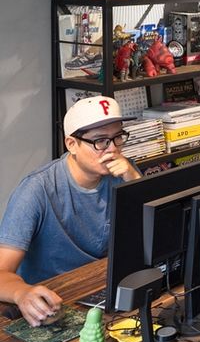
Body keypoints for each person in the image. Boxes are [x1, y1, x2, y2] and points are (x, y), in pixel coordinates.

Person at [0, 96, 141, 327]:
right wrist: (22, 293)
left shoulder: (124, 172)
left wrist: (134, 181)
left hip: (102, 291)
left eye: (118, 137)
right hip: (51, 304)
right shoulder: (37, 189)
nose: (113, 149)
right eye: (100, 141)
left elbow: (155, 238)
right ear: (71, 144)